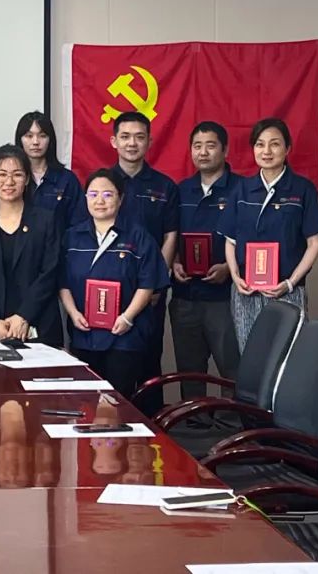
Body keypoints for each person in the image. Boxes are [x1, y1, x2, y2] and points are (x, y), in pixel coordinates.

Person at [218, 118, 318, 351]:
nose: (266, 151)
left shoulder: (302, 189)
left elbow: (315, 243)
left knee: (288, 357)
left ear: (287, 149)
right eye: (260, 144)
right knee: (250, 356)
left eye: (275, 144)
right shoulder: (242, 189)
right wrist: (235, 277)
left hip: (287, 291)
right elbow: (230, 240)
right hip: (246, 292)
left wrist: (290, 283)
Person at [60, 169, 169, 399]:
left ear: (121, 198)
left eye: (108, 194)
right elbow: (63, 282)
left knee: (117, 403)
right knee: (85, 402)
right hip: (83, 333)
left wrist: (127, 317)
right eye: (93, 194)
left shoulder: (138, 237)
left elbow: (148, 283)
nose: (100, 201)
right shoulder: (72, 237)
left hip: (124, 336)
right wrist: (73, 313)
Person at [108, 111, 178, 411]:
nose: (132, 143)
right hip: (109, 290)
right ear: (114, 141)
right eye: (125, 137)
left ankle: (153, 425)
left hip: (151, 293)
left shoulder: (165, 186)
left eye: (139, 137)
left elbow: (170, 236)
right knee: (111, 361)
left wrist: (155, 283)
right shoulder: (103, 183)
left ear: (149, 141)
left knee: (149, 358)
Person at [170, 122, 241, 400]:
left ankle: (234, 423)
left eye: (210, 146)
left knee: (232, 371)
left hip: (226, 298)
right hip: (186, 296)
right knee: (190, 373)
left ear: (225, 150)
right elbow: (171, 233)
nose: (203, 152)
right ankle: (194, 422)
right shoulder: (181, 190)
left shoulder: (242, 190)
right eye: (197, 146)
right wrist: (175, 262)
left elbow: (251, 240)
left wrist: (230, 269)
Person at [0, 145, 62, 345]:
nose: (9, 182)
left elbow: (50, 272)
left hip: (39, 327)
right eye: (2, 174)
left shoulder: (46, 220)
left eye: (17, 174)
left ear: (27, 179)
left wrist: (24, 315)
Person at [16, 111, 86, 232]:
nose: (35, 142)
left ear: (50, 139)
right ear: (20, 139)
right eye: (29, 136)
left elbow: (79, 224)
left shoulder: (67, 180)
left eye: (42, 136)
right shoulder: (12, 179)